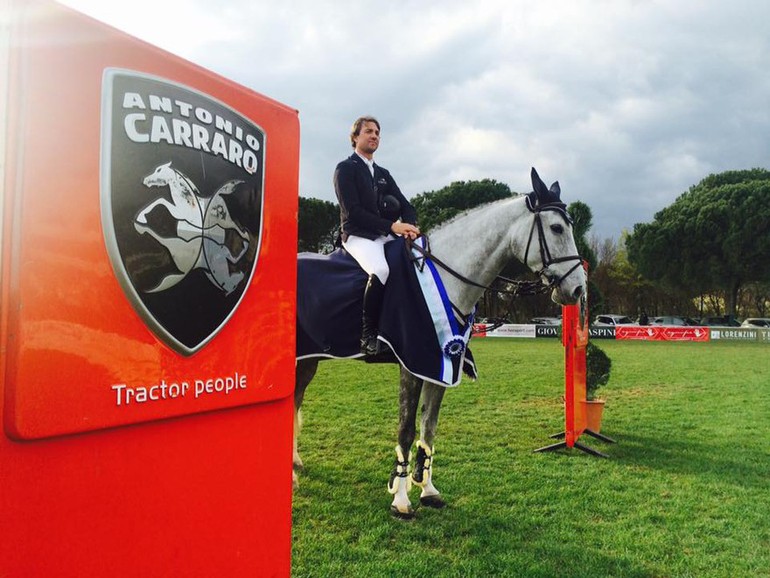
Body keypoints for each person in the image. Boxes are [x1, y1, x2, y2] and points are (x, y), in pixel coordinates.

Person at [334, 116, 420, 356]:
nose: (374, 136)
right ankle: (367, 335)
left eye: (377, 133)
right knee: (381, 270)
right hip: (358, 235)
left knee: (414, 263)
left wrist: (411, 227)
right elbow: (354, 212)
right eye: (368, 131)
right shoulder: (346, 168)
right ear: (355, 138)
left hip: (383, 234)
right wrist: (393, 226)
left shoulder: (383, 173)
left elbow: (406, 205)